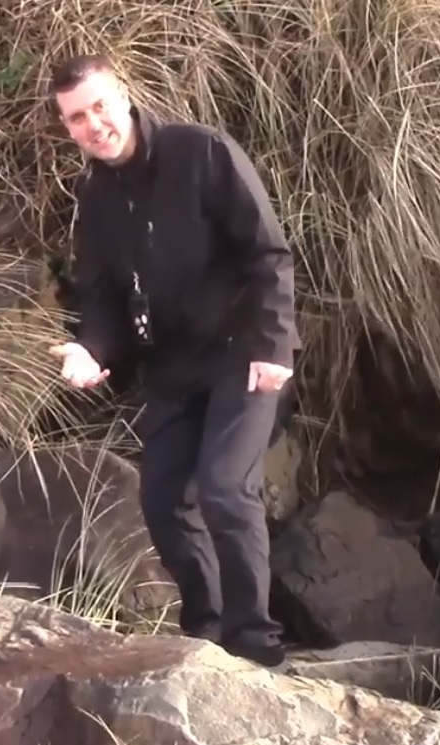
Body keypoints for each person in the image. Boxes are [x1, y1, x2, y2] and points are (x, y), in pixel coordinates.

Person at [45, 54, 300, 668]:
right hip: (172, 370)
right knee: (161, 501)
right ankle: (205, 632)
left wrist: (274, 343)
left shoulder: (202, 153)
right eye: (76, 118)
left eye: (100, 106)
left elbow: (267, 254)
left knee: (224, 487)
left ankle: (256, 642)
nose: (93, 125)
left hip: (244, 355)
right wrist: (91, 348)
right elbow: (103, 294)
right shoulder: (96, 193)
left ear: (125, 97)